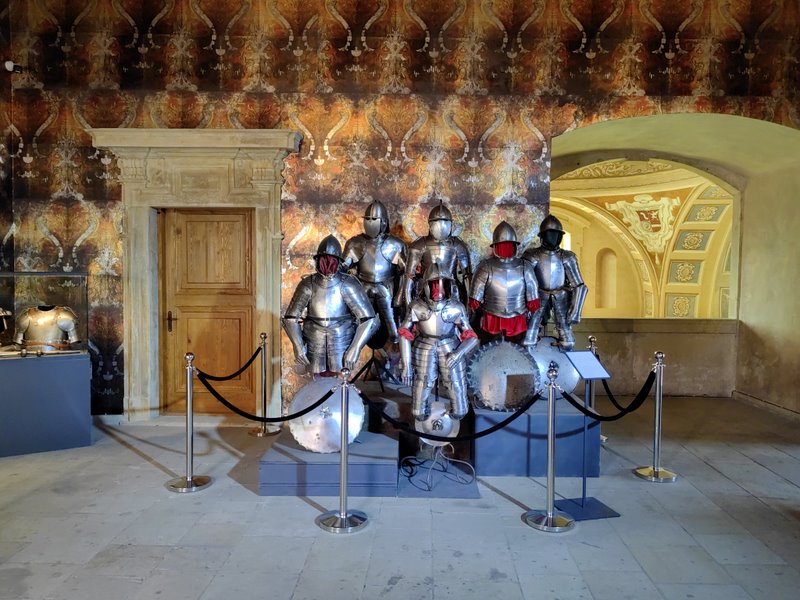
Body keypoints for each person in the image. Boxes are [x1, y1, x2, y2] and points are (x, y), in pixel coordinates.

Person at [282, 235, 378, 375]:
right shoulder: (308, 283)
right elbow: (290, 318)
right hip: (314, 339)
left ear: (338, 261)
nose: (327, 264)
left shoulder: (348, 283)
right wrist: (298, 345)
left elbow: (369, 319)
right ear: (317, 261)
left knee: (340, 379)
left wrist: (355, 348)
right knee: (317, 380)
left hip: (342, 339)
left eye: (331, 260)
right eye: (324, 259)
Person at [398, 262, 478, 421]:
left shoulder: (456, 307)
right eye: (433, 284)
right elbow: (404, 333)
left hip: (450, 346)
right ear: (426, 285)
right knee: (422, 390)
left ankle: (458, 411)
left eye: (442, 284)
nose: (438, 289)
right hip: (424, 346)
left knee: (456, 388)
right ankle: (421, 413)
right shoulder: (417, 306)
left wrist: (458, 353)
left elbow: (471, 337)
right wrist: (406, 365)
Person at [341, 200, 407, 343]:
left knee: (392, 326)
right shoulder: (355, 243)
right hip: (362, 286)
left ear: (383, 222)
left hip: (387, 287)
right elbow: (342, 269)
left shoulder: (395, 244)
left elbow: (405, 273)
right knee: (359, 323)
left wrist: (399, 295)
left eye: (374, 219)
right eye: (368, 219)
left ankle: (394, 336)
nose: (370, 222)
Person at [469, 220, 540, 345]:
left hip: (512, 317)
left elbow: (474, 302)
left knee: (500, 351)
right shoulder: (486, 266)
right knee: (506, 350)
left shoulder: (524, 266)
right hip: (496, 317)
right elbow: (533, 302)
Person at [522, 215, 587, 350]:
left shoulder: (567, 256)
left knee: (568, 341)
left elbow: (579, 286)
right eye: (549, 234)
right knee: (528, 339)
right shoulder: (532, 255)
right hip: (537, 296)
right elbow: (525, 282)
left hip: (561, 295)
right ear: (542, 236)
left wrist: (576, 311)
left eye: (555, 234)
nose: (552, 237)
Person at [403, 201, 472, 307]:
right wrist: (409, 306)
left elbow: (467, 277)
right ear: (430, 224)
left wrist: (468, 307)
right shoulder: (419, 245)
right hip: (424, 291)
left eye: (444, 222)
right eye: (437, 221)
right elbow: (409, 277)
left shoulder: (458, 245)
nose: (441, 226)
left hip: (452, 291)